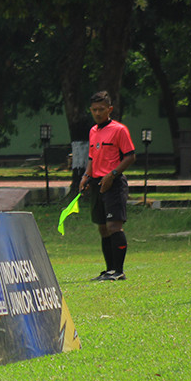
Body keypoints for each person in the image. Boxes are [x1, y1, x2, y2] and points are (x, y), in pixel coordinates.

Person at [78, 90, 136, 281]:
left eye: (101, 109)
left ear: (110, 109)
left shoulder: (119, 130)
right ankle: (109, 270)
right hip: (96, 183)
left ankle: (119, 271)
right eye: (94, 110)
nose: (97, 113)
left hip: (114, 183)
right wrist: (86, 175)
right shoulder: (93, 131)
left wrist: (112, 175)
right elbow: (91, 157)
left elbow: (130, 156)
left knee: (114, 226)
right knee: (102, 228)